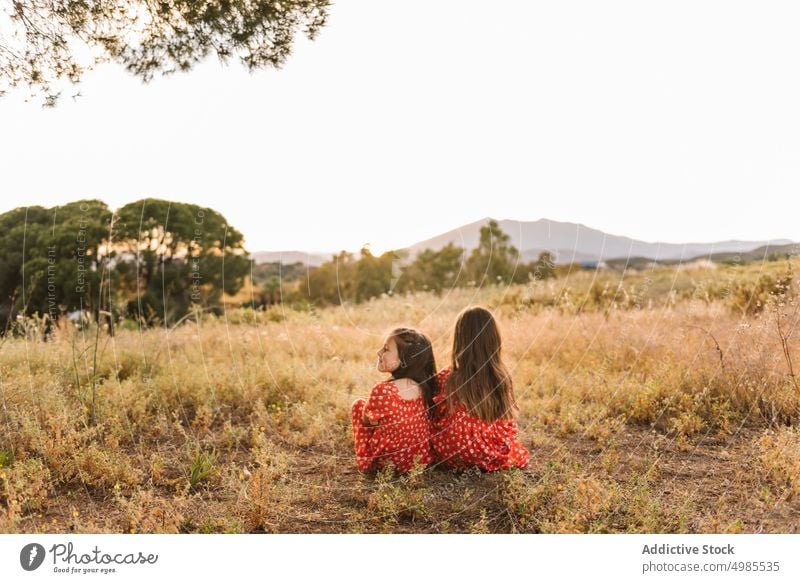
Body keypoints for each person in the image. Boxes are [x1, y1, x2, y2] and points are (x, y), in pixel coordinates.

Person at [431, 306, 529, 470]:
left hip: (452, 454)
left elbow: (436, 413)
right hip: (491, 452)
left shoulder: (447, 378)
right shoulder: (501, 376)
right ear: (493, 340)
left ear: (459, 340)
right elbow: (505, 418)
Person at [350, 328, 437, 473]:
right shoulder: (426, 387)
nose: (379, 353)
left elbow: (367, 421)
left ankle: (366, 462)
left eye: (385, 349)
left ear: (404, 359)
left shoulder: (383, 391)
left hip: (387, 465)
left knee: (358, 406)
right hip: (418, 463)